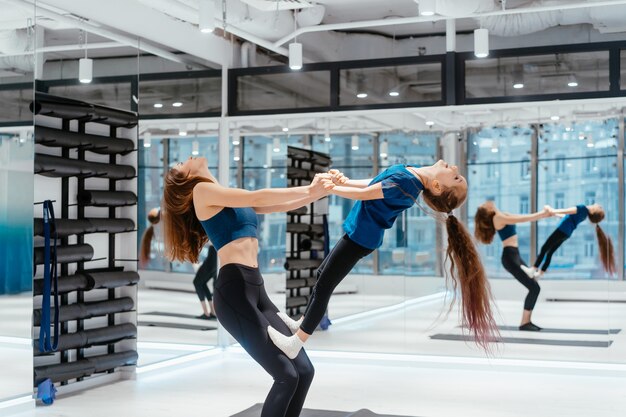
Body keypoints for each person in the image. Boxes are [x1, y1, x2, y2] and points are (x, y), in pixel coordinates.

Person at [268, 160, 498, 359]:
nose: (455, 167)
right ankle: (304, 323)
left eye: (456, 177)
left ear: (437, 187)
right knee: (322, 277)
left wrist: (332, 189)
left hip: (361, 237)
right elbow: (373, 184)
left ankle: (296, 343)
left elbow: (365, 194)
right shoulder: (411, 175)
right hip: (358, 232)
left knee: (326, 283)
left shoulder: (409, 183)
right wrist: (342, 182)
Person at [161, 156, 336, 417]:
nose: (187, 158)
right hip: (234, 294)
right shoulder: (201, 191)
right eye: (180, 164)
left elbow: (277, 205)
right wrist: (311, 189)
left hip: (256, 288)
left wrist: (317, 194)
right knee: (286, 375)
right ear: (185, 177)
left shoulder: (224, 194)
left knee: (304, 371)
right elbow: (258, 196)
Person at [474, 201, 553, 331]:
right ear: (487, 210)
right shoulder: (498, 218)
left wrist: (543, 214)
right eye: (486, 204)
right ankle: (524, 323)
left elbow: (517, 216)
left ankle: (526, 322)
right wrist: (542, 214)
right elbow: (521, 219)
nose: (490, 202)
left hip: (514, 256)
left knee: (534, 287)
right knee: (534, 288)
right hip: (510, 258)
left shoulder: (501, 215)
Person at [139, 207, 218, 319]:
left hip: (215, 251)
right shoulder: (177, 222)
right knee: (201, 283)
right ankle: (211, 312)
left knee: (199, 282)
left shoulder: (177, 223)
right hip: (214, 250)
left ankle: (209, 312)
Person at [526, 203, 615, 278]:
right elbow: (567, 216)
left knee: (544, 248)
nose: (596, 204)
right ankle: (541, 273)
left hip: (562, 229)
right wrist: (554, 213)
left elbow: (566, 211)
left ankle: (533, 269)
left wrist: (551, 210)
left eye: (598, 206)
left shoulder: (582, 208)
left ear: (594, 210)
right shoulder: (584, 214)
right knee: (550, 252)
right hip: (566, 233)